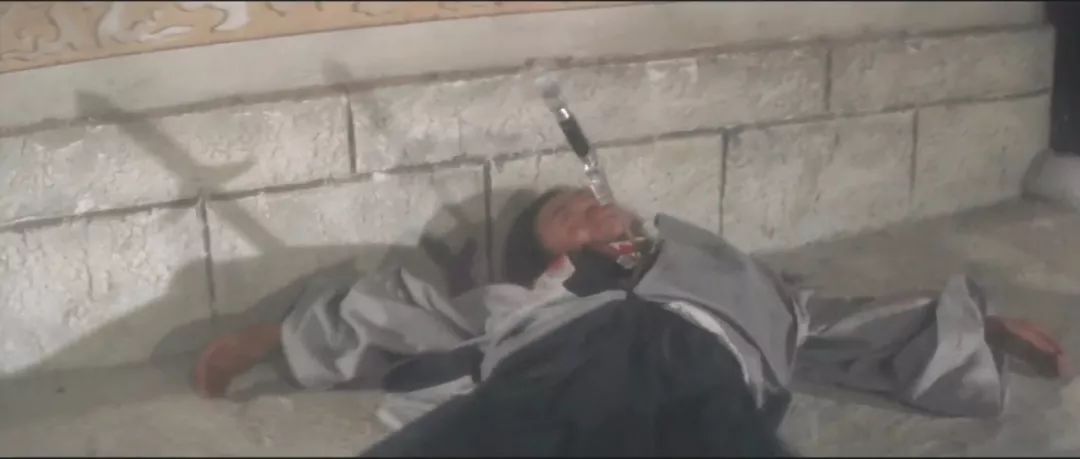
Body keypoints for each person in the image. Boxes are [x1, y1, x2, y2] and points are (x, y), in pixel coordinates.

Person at [194, 186, 1068, 455]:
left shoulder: (718, 271)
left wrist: (979, 331)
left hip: (704, 365)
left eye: (590, 203)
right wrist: (266, 339)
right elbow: (403, 316)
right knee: (526, 412)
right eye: (563, 216)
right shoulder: (523, 298)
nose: (587, 210)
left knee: (700, 411)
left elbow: (824, 320)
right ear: (538, 253)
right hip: (574, 357)